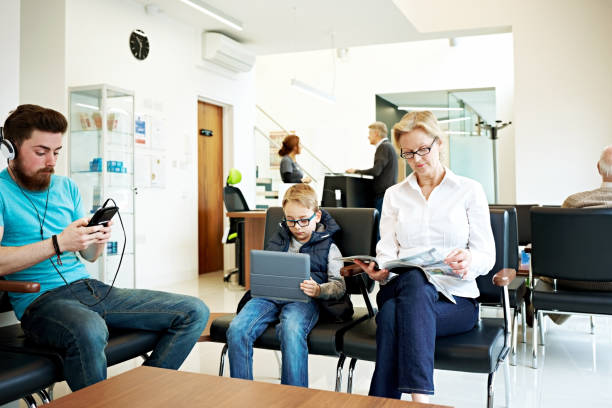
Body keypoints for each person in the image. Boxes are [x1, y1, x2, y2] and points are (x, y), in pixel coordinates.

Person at [0, 105, 209, 391]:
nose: (51, 161)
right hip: (41, 303)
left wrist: (96, 238)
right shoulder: (1, 192)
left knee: (194, 310)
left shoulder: (66, 187)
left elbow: (88, 256)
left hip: (90, 289)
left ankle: (139, 393)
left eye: (57, 152)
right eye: (41, 152)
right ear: (10, 149)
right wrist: (58, 243)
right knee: (89, 327)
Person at [350, 111, 495, 403]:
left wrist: (470, 259)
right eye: (408, 153)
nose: (417, 159)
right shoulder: (394, 195)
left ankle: (382, 401)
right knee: (415, 276)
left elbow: (486, 254)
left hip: (456, 301)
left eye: (423, 150)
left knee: (392, 317)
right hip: (402, 289)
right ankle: (421, 399)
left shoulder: (469, 190)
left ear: (439, 143)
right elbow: (387, 251)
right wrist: (382, 271)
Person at [226, 183, 345, 387]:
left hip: (304, 300)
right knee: (237, 329)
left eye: (303, 220)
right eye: (290, 221)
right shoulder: (278, 238)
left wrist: (319, 290)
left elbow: (339, 285)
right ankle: (241, 392)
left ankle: (294, 396)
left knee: (291, 328)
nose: (297, 227)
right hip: (269, 296)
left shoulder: (330, 247)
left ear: (316, 216)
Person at [541, 145, 612, 324]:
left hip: (574, 280)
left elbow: (558, 245)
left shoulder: (574, 202)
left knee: (546, 274)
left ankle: (546, 310)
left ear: (598, 167)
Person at [346, 121, 398, 227]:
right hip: (386, 193)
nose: (368, 137)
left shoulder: (383, 147)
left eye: (370, 133)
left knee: (379, 226)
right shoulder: (388, 146)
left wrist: (356, 171)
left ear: (376, 134)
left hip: (382, 195)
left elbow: (376, 171)